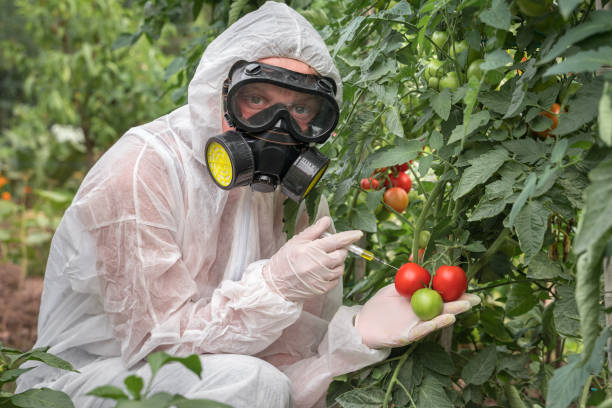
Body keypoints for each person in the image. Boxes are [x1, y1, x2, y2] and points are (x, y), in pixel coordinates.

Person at [17, 2, 479, 407]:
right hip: (87, 384)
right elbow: (158, 348)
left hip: (216, 384)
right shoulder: (142, 171)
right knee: (251, 383)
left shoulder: (294, 199)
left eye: (301, 110)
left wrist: (354, 337)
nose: (278, 126)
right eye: (255, 99)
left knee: (260, 382)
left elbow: (284, 367)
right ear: (217, 94)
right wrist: (276, 286)